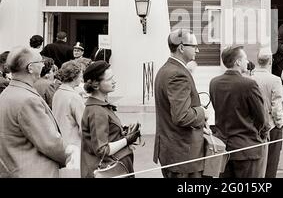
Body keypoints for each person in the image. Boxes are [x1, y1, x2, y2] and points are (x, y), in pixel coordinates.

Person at [0, 46, 76, 177]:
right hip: (33, 171)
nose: (42, 65)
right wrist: (69, 153)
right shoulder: (28, 99)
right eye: (40, 62)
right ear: (30, 68)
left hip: (14, 169)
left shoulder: (7, 93)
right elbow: (50, 143)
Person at [153, 29, 207, 178]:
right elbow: (182, 116)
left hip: (175, 153)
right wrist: (202, 112)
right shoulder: (177, 73)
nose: (197, 49)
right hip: (183, 156)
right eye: (194, 45)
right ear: (181, 47)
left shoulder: (166, 69)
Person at [209, 45, 269, 178]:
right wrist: (262, 135)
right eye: (245, 59)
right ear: (237, 62)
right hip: (248, 148)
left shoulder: (214, 83)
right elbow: (262, 118)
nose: (247, 62)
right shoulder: (249, 84)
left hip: (223, 147)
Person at [80, 61, 141, 178]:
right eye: (109, 79)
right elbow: (102, 150)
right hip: (109, 171)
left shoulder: (100, 106)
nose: (114, 81)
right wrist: (127, 140)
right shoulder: (97, 110)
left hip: (114, 169)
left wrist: (121, 132)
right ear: (96, 85)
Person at [251, 48, 283, 178]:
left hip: (254, 125)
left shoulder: (250, 78)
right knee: (272, 161)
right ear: (270, 61)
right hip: (271, 124)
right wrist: (280, 123)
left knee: (257, 161)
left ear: (258, 61)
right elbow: (276, 105)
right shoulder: (275, 80)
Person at [52, 60, 85, 177]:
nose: (82, 77)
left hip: (61, 144)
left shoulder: (58, 93)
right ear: (75, 76)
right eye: (80, 74)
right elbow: (84, 127)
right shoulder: (74, 97)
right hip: (74, 146)